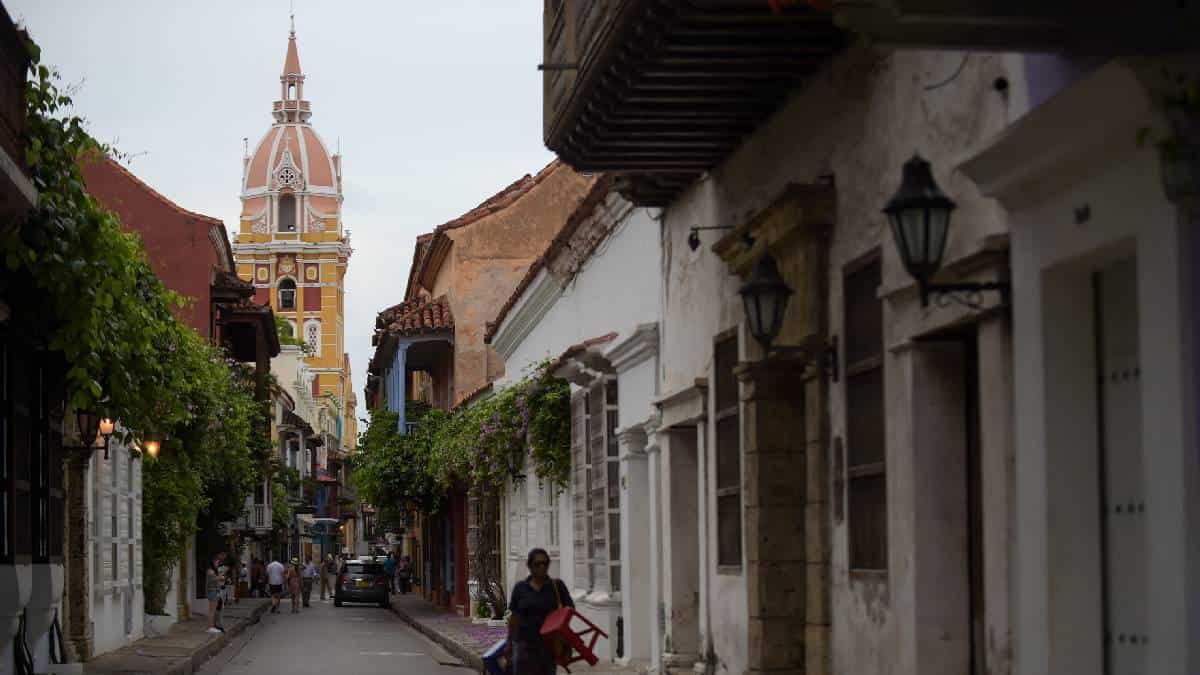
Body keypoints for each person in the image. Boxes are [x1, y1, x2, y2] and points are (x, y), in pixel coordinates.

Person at [506, 548, 573, 675]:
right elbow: (514, 617)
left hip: (548, 647)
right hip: (524, 646)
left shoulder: (557, 586)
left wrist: (563, 637)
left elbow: (569, 611)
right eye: (537, 564)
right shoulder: (520, 588)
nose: (542, 567)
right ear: (529, 566)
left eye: (545, 563)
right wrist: (509, 643)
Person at [205, 554, 225, 634]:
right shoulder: (210, 571)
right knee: (212, 611)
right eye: (217, 562)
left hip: (214, 591)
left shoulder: (212, 571)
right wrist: (220, 577)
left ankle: (212, 626)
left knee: (213, 610)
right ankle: (210, 627)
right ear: (213, 562)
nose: (217, 564)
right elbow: (214, 579)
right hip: (212, 592)